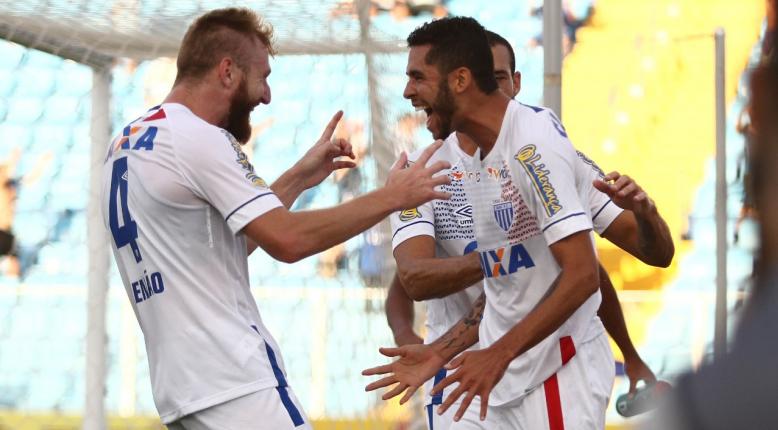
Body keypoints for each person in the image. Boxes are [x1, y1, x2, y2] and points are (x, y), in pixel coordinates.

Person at [101, 8, 451, 429]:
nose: (266, 96)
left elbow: (220, 245)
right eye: (262, 77)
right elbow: (288, 242)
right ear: (227, 71)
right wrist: (392, 196)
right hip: (236, 379)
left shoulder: (126, 142)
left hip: (182, 389)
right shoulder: (198, 137)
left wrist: (298, 178)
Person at [362, 16, 646, 428]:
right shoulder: (424, 171)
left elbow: (590, 270)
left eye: (418, 77)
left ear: (509, 82)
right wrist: (425, 343)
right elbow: (413, 280)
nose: (408, 91)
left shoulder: (538, 149)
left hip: (547, 364)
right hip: (463, 366)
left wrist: (649, 217)